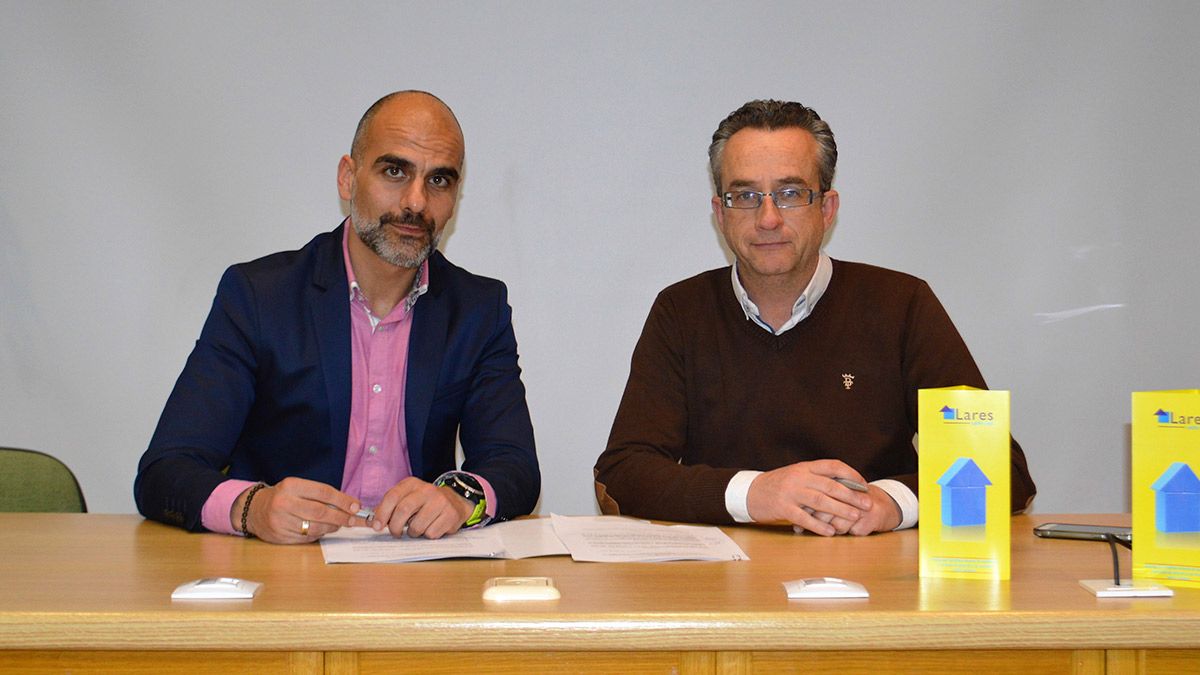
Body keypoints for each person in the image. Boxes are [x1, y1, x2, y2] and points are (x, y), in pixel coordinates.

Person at [594, 99, 1035, 536]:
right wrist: (757, 494)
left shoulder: (901, 304)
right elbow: (622, 473)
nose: (767, 219)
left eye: (789, 194)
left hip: (873, 580)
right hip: (728, 585)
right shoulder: (682, 310)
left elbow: (1003, 471)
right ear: (720, 213)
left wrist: (892, 503)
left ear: (826, 208)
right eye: (745, 196)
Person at [136, 91, 539, 544]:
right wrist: (252, 508)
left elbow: (514, 465)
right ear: (348, 179)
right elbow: (165, 471)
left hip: (417, 576)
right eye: (394, 171)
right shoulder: (259, 296)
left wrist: (461, 497)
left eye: (439, 181)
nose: (416, 202)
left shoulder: (477, 308)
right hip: (284, 572)